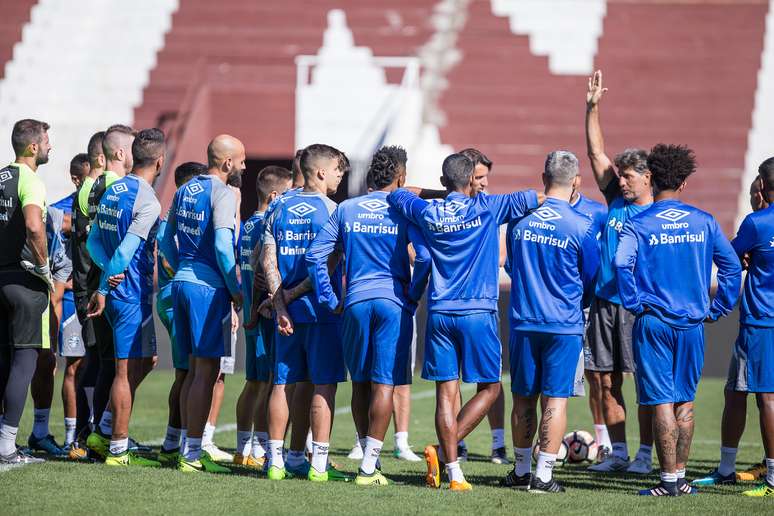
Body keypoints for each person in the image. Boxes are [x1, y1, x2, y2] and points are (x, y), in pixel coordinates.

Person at [387, 153, 540, 491]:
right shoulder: (488, 208)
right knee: (491, 388)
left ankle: (454, 471)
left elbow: (398, 192)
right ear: (472, 179)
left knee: (446, 393)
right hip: (478, 312)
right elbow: (539, 197)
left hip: (440, 312)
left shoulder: (429, 210)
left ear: (445, 181)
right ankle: (442, 450)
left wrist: (443, 193)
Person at [615, 143, 742, 496]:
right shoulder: (704, 221)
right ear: (684, 183)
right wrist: (719, 308)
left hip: (653, 322)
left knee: (660, 402)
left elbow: (621, 264)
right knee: (685, 400)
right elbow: (731, 267)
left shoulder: (638, 223)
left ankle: (668, 480)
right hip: (691, 325)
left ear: (651, 178)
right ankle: (681, 479)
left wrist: (634, 302)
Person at [306, 146, 431, 486]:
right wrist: (413, 295)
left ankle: (365, 456)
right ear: (401, 177)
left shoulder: (347, 208)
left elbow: (315, 256)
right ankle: (369, 467)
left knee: (360, 381)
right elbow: (423, 258)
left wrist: (330, 298)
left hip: (355, 302)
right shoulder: (403, 211)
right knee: (385, 383)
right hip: (393, 303)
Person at [501, 151, 600, 493]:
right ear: (576, 182)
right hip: (564, 324)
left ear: (543, 179)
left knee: (523, 399)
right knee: (555, 400)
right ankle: (543, 476)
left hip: (524, 322)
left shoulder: (519, 220)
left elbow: (511, 266)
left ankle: (520, 470)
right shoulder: (582, 225)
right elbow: (591, 277)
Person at [261, 144, 350, 482]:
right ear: (321, 172)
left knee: (283, 384)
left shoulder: (278, 206)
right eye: (338, 169)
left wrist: (280, 304)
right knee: (323, 385)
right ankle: (319, 465)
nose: (341, 175)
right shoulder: (333, 211)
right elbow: (327, 265)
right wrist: (293, 296)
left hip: (285, 314)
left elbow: (267, 260)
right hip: (321, 311)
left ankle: (277, 462)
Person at [159, 134, 244, 473]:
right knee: (205, 372)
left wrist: (185, 266)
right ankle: (192, 454)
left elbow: (166, 242)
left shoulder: (184, 190)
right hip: (206, 289)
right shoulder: (221, 193)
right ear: (226, 163)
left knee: (191, 371)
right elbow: (224, 248)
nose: (242, 166)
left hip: (181, 282)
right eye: (240, 160)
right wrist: (236, 290)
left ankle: (184, 445)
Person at [585, 70, 654, 473]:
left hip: (637, 306)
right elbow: (596, 154)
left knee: (645, 384)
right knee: (607, 382)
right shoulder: (614, 200)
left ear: (648, 178)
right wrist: (592, 108)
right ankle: (621, 453)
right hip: (604, 302)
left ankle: (646, 455)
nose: (621, 181)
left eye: (629, 176)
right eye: (621, 175)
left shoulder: (655, 212)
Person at [693, 157, 774, 497]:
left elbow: (727, 255)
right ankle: (726, 468)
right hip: (760, 323)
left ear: (762, 186)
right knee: (736, 391)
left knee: (767, 397)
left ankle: (771, 478)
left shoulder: (757, 223)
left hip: (762, 322)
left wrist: (743, 257)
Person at [85, 128, 166, 467]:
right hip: (129, 293)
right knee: (123, 369)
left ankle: (103, 428)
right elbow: (127, 249)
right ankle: (117, 447)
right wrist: (106, 285)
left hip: (116, 289)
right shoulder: (147, 200)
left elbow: (93, 242)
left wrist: (104, 273)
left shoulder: (112, 188)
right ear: (160, 162)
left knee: (145, 361)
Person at [0, 119, 52, 466]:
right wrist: (45, 264)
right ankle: (7, 447)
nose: (50, 147)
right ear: (32, 147)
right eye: (46, 142)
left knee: (3, 360)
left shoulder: (1, 175)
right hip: (23, 279)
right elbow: (34, 224)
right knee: (25, 361)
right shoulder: (30, 179)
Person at [233, 165, 292, 469]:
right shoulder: (264, 224)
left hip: (251, 311)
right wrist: (257, 311)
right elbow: (259, 271)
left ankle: (245, 448)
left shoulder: (247, 224)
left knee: (255, 381)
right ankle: (258, 448)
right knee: (268, 382)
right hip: (262, 313)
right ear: (274, 195)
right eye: (287, 192)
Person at [84, 125, 138, 459]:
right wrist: (109, 273)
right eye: (132, 147)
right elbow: (93, 238)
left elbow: (92, 239)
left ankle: (98, 435)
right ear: (120, 153)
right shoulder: (112, 187)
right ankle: (103, 436)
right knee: (110, 364)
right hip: (107, 285)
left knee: (107, 363)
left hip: (103, 280)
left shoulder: (101, 185)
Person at [457, 147, 508, 464]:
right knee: (450, 382)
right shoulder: (444, 209)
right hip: (457, 304)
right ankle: (457, 443)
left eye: (487, 176)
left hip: (484, 303)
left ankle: (498, 444)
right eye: (478, 177)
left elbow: (501, 257)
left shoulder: (492, 209)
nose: (485, 183)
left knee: (490, 379)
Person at [156, 161, 207, 466]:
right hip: (179, 299)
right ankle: (183, 444)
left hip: (172, 297)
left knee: (187, 373)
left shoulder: (171, 218)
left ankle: (175, 442)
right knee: (190, 373)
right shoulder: (180, 219)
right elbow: (166, 261)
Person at [70, 133, 105, 458]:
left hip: (90, 287)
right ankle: (84, 435)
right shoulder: (91, 191)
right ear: (102, 157)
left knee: (98, 361)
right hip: (89, 289)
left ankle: (92, 433)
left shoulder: (92, 189)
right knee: (94, 362)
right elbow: (91, 242)